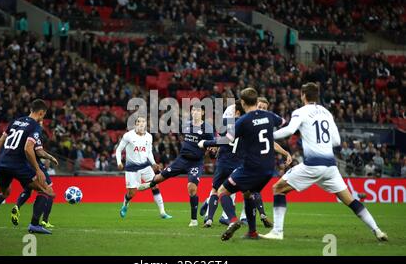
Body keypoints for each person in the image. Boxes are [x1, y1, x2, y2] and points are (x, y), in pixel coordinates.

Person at [260, 82, 387, 241]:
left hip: (313, 165)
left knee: (278, 188)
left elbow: (289, 130)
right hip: (330, 167)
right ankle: (377, 230)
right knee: (350, 200)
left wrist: (268, 136)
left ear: (303, 95)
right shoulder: (326, 112)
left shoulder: (301, 112)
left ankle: (277, 232)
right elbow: (336, 141)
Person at [199, 88, 285, 240]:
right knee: (248, 194)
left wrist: (205, 142)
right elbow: (284, 122)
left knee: (222, 192)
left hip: (250, 166)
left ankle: (232, 220)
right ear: (257, 101)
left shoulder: (243, 121)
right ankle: (252, 232)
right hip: (269, 167)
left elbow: (226, 140)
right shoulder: (269, 116)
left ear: (243, 102)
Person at [0, 99, 55, 235]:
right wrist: (38, 169)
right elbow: (28, 149)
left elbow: (0, 142)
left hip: (2, 162)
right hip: (18, 164)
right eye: (44, 115)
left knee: (4, 193)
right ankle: (34, 225)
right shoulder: (35, 126)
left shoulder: (15, 121)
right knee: (47, 191)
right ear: (41, 113)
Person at [139, 102, 215, 227]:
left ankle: (194, 220)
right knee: (160, 177)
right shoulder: (186, 125)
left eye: (197, 110)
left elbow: (212, 144)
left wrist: (211, 149)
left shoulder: (207, 128)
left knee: (191, 188)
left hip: (195, 162)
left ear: (202, 112)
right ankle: (150, 184)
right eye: (193, 110)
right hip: (181, 159)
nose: (195, 112)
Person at [116, 116, 172, 219]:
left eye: (143, 122)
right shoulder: (128, 136)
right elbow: (119, 150)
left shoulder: (149, 136)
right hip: (131, 168)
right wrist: (119, 162)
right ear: (136, 124)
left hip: (145, 166)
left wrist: (154, 163)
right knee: (132, 193)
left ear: (145, 124)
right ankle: (125, 204)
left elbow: (149, 152)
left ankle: (162, 212)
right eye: (138, 121)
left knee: (155, 185)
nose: (141, 123)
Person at [11, 120, 59, 229]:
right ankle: (44, 221)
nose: (42, 125)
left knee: (28, 189)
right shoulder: (35, 133)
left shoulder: (24, 132)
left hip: (23, 165)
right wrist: (51, 157)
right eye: (41, 123)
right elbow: (40, 152)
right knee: (49, 191)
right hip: (35, 164)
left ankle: (17, 206)